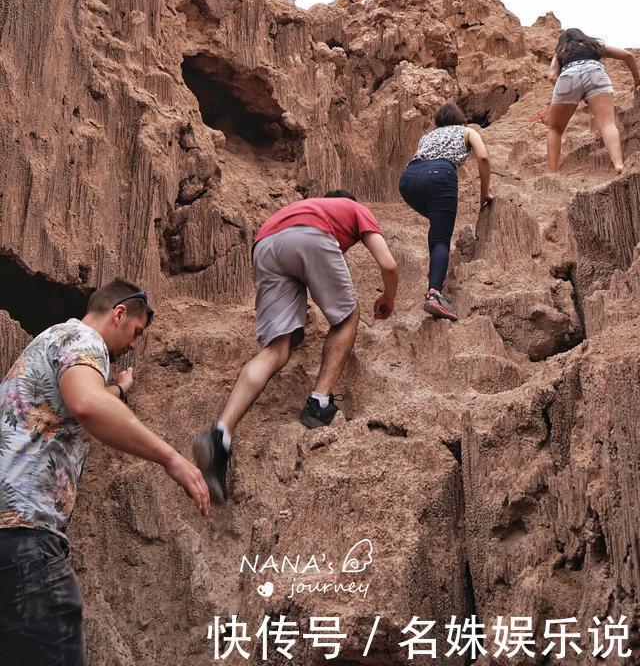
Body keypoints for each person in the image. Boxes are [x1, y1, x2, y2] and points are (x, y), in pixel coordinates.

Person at [0, 279, 209, 665]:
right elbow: (86, 402)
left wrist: (118, 391)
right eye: (136, 332)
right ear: (119, 314)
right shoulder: (83, 339)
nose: (133, 345)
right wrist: (171, 459)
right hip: (26, 537)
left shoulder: (55, 340)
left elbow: (79, 396)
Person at [192, 190, 398, 504]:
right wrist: (388, 297)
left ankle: (221, 433)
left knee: (277, 349)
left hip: (264, 244)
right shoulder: (355, 208)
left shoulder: (302, 208)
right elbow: (388, 263)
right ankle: (319, 402)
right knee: (346, 318)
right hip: (308, 236)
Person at [399, 102, 492, 321]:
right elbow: (484, 157)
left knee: (437, 229)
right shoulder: (467, 131)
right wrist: (484, 193)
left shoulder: (427, 137)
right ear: (460, 118)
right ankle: (434, 295)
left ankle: (436, 275)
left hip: (408, 180)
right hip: (440, 175)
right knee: (441, 238)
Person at [547, 28, 640, 174]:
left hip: (568, 76)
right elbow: (627, 55)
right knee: (607, 124)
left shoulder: (560, 52)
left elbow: (552, 76)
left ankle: (551, 173)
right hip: (595, 72)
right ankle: (618, 164)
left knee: (555, 129)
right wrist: (636, 79)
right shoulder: (594, 46)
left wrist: (570, 93)